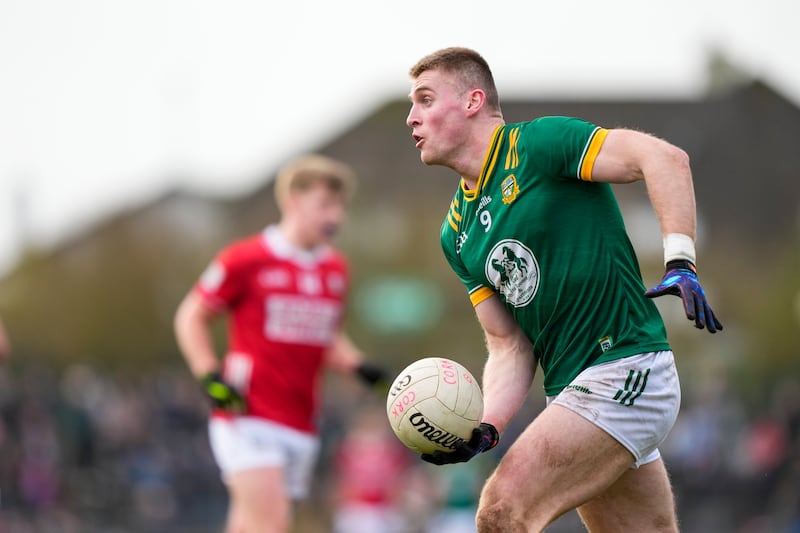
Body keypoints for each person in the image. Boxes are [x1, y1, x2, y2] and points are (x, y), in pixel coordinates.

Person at [405, 47, 723, 532]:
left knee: (501, 511)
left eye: (425, 100)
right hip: (572, 395)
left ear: (472, 101)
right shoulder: (457, 233)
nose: (412, 118)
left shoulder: (539, 144)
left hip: (625, 371)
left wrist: (681, 260)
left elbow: (662, 158)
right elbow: (509, 346)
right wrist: (487, 427)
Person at [173, 154, 387, 533]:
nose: (335, 216)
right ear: (293, 201)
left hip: (300, 419)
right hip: (248, 414)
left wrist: (358, 366)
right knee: (270, 525)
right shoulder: (246, 259)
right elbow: (191, 316)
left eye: (340, 206)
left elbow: (325, 336)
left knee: (249, 524)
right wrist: (210, 377)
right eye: (325, 204)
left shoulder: (335, 269)